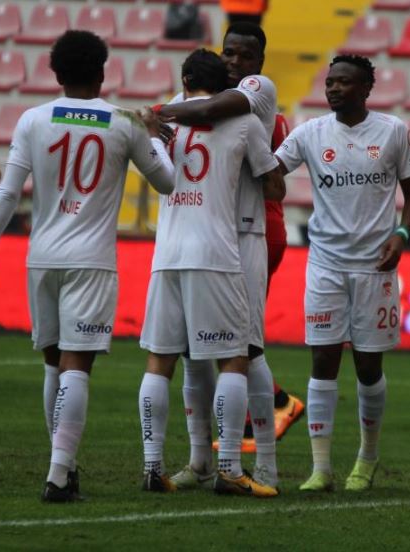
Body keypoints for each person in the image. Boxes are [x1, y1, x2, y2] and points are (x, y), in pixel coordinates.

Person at [0, 30, 175, 502]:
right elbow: (166, 182)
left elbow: (7, 192)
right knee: (76, 366)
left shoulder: (33, 119)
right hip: (91, 261)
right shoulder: (123, 122)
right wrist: (153, 135)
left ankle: (65, 468)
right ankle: (58, 476)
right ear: (101, 73)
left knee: (53, 365)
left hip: (41, 258)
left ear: (56, 73)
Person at [156, 22, 303, 491]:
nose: (235, 62)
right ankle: (201, 461)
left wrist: (160, 111)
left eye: (245, 55)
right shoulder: (200, 101)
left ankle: (266, 466)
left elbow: (207, 108)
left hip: (246, 234)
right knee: (195, 353)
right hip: (206, 234)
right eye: (229, 54)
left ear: (260, 62)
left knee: (247, 349)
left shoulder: (256, 91)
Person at [274, 54, 410, 492]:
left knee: (368, 365)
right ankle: (320, 469)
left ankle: (367, 458)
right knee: (322, 360)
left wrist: (401, 234)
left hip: (375, 267)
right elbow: (269, 171)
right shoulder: (310, 133)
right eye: (330, 82)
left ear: (366, 88)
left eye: (343, 82)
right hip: (325, 264)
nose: (334, 88)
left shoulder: (393, 131)